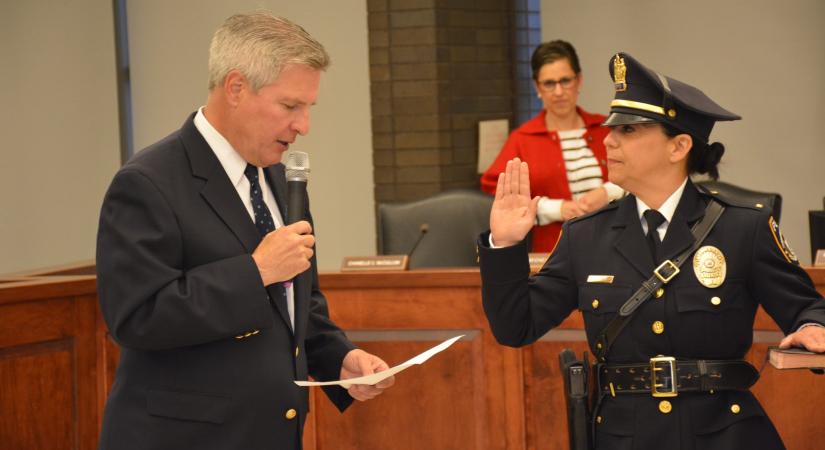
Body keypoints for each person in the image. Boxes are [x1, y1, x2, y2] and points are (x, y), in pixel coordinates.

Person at [478, 52, 825, 449]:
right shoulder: (585, 235)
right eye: (611, 128)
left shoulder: (741, 227)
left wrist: (813, 327)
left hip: (722, 434)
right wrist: (504, 244)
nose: (608, 140)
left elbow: (806, 306)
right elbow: (515, 327)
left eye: (628, 130)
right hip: (624, 436)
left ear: (678, 147)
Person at [96, 12, 394, 450]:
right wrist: (254, 272)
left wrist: (339, 359)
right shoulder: (148, 181)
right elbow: (136, 318)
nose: (303, 125)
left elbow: (295, 301)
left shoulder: (277, 176)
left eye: (308, 108)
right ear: (236, 87)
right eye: (290, 106)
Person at [480, 40, 624, 252]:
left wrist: (608, 192)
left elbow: (641, 175)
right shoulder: (523, 138)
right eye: (549, 83)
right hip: (553, 253)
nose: (558, 92)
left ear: (579, 81)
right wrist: (555, 209)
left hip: (616, 244)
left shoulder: (607, 128)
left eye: (565, 81)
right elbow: (497, 192)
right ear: (537, 87)